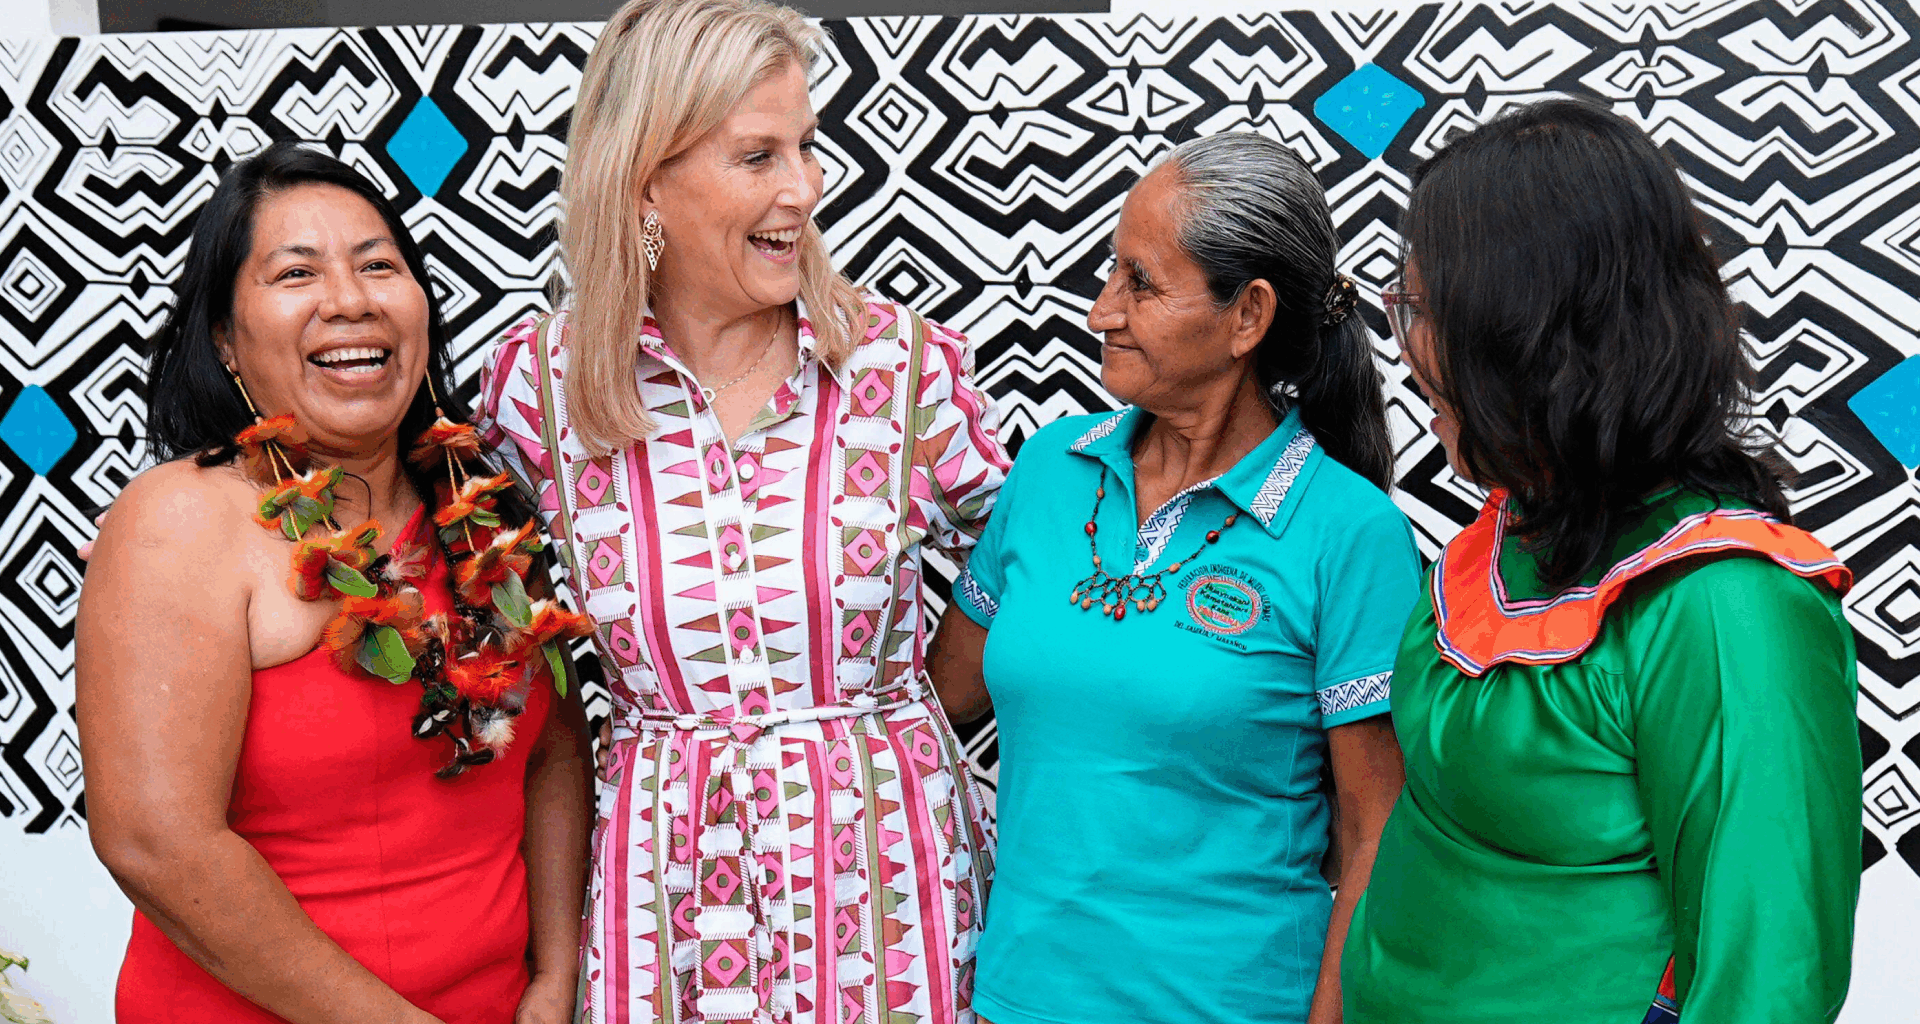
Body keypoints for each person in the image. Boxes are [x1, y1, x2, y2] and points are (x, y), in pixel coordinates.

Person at [473, 1, 1008, 1021]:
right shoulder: (538, 389)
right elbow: (504, 652)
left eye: (805, 149)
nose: (802, 189)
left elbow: (1032, 566)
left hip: (887, 887)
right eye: (758, 155)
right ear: (644, 180)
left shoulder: (897, 368)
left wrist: (903, 709)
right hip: (661, 892)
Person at [1342, 99, 1861, 1023]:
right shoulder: (1507, 533)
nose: (1407, 347)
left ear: (1533, 334)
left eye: (1422, 309)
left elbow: (1765, 987)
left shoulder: (1724, 605)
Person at [76, 142, 593, 1024]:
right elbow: (156, 844)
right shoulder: (179, 522)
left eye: (378, 265)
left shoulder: (483, 511)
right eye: (295, 274)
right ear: (226, 342)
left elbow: (549, 753)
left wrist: (554, 980)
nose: (350, 301)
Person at [928, 133, 1420, 1024]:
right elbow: (940, 698)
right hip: (1017, 1000)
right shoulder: (1049, 471)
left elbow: (1374, 833)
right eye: (1109, 273)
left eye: (1140, 283)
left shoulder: (1349, 533)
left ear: (1248, 316)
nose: (1100, 311)